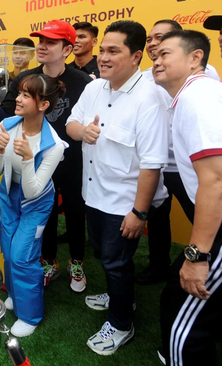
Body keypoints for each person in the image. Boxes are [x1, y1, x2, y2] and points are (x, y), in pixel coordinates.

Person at [66, 20, 169, 355]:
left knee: (116, 262)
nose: (104, 57)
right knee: (104, 255)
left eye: (113, 51)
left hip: (125, 202)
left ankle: (121, 323)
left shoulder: (149, 98)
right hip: (92, 194)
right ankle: (118, 294)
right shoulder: (94, 88)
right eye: (102, 50)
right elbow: (71, 124)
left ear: (136, 56)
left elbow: (152, 164)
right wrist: (84, 133)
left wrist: (139, 212)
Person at [0, 20, 92, 292]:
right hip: (33, 159)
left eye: (50, 42)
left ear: (67, 49)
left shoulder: (84, 82)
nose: (42, 46)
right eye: (41, 40)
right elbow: (6, 118)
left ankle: (77, 262)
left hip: (71, 159)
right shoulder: (25, 79)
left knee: (75, 210)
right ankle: (49, 261)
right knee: (43, 212)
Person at [153, 30, 222, 366]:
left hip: (217, 227)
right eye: (155, 56)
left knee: (186, 326)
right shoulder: (194, 96)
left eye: (165, 53)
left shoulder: (198, 97)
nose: (157, 60)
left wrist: (197, 255)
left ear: (196, 58)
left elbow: (216, 180)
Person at [0, 74, 67, 337]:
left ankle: (30, 315)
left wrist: (27, 158)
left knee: (23, 256)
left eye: (25, 95)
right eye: (19, 93)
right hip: (9, 195)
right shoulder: (7, 125)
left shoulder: (54, 145)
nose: (17, 99)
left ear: (43, 105)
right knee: (9, 251)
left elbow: (33, 190)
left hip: (37, 202)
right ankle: (15, 294)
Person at [136, 20, 196, 285]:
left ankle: (207, 261)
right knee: (157, 220)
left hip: (190, 166)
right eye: (149, 39)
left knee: (203, 216)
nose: (153, 43)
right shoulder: (144, 77)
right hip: (156, 165)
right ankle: (158, 266)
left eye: (159, 37)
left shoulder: (204, 75)